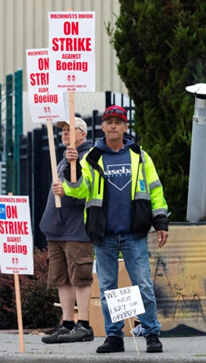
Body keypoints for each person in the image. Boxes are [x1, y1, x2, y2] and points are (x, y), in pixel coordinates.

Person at [58, 105, 168, 354]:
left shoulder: (140, 155)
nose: (113, 126)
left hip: (134, 232)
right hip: (103, 233)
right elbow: (78, 192)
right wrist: (71, 170)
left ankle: (151, 333)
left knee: (143, 285)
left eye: (118, 121)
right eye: (108, 122)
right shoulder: (92, 157)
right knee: (108, 288)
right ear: (103, 127)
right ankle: (114, 336)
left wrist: (161, 222)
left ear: (126, 126)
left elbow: (155, 190)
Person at [40, 117, 95, 344]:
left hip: (77, 229)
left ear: (83, 134)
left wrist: (68, 189)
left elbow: (87, 189)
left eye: (71, 129)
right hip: (57, 229)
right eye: (63, 129)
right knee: (61, 278)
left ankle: (83, 324)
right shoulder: (63, 159)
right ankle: (67, 323)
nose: (65, 132)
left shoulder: (88, 157)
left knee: (80, 277)